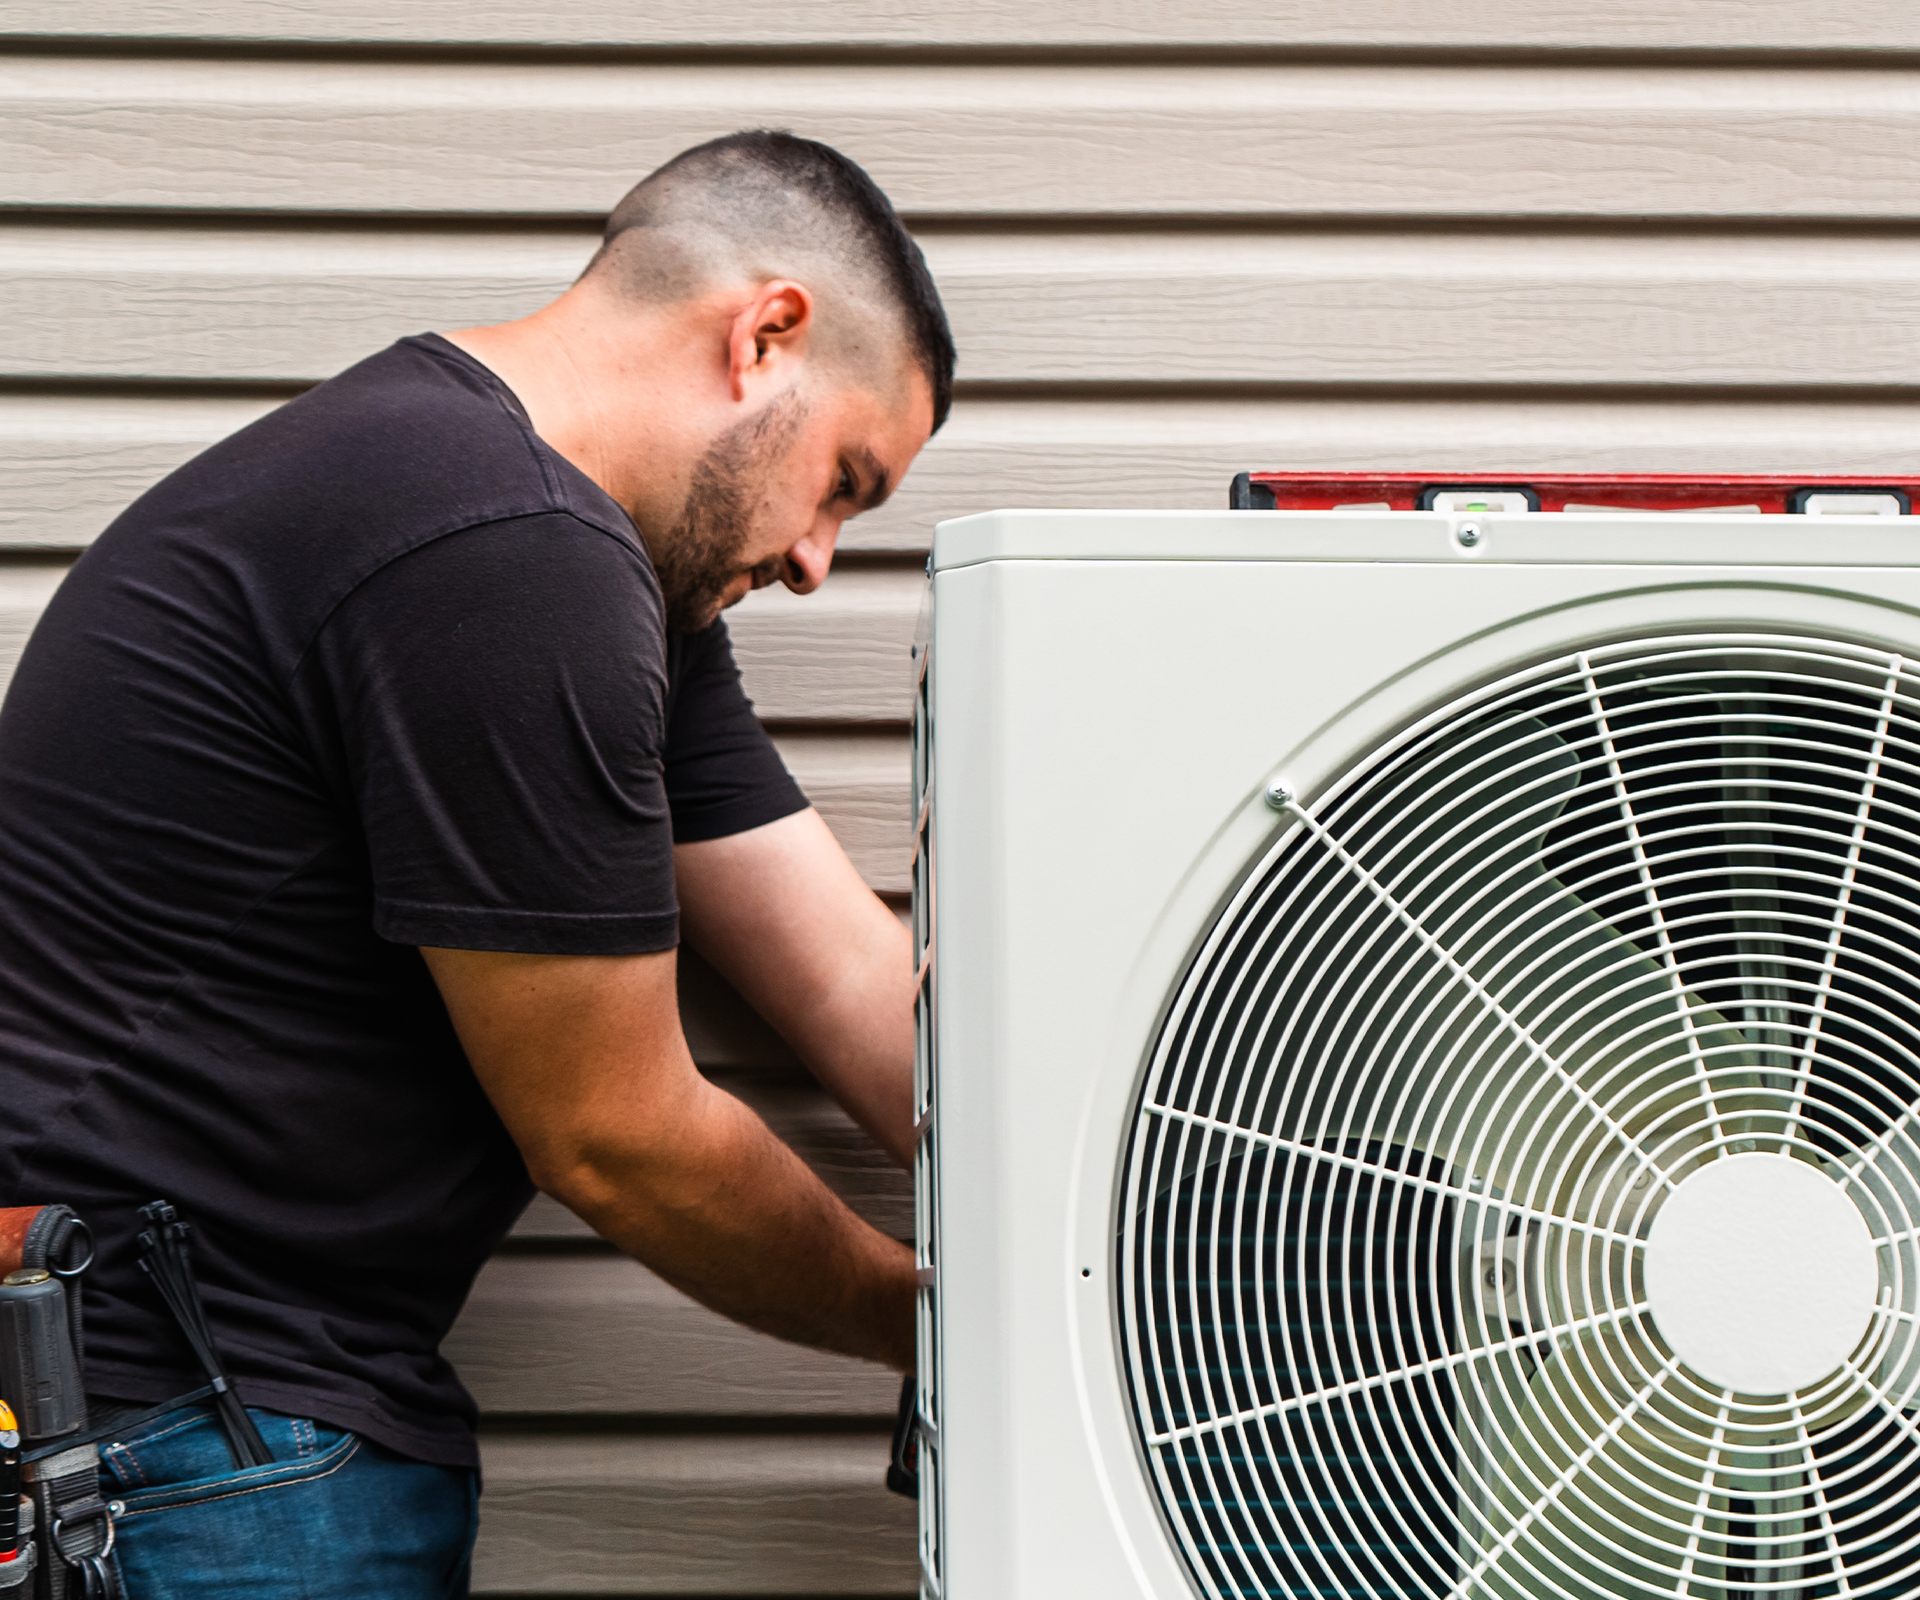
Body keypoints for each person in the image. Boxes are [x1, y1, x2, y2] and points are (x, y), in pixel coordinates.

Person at [0, 129, 953, 1596]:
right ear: (767, 336)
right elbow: (618, 1137)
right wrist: (945, 1321)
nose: (823, 556)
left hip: (224, 1421)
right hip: (183, 1441)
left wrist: (1128, 1223)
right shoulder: (502, 552)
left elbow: (839, 972)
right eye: (846, 481)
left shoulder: (566, 555)